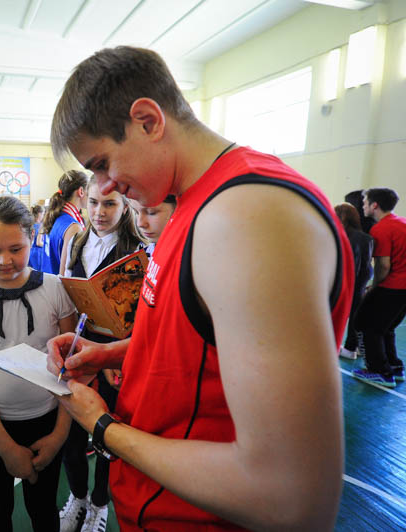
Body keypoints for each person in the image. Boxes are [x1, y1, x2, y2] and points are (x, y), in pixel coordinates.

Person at [45, 46, 354, 531]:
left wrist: (103, 426)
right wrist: (112, 353)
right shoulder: (195, 204)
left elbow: (290, 496)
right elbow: (203, 341)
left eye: (103, 164)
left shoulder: (246, 217)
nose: (102, 187)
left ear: (148, 121)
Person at [0, 196, 77, 531]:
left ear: (32, 237)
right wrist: (6, 448)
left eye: (16, 249)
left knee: (44, 511)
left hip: (47, 422)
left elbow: (71, 371)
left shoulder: (55, 289)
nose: (4, 260)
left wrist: (58, 436)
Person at [58, 176, 143, 532]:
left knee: (107, 434)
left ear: (124, 206)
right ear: (84, 201)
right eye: (93, 203)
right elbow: (64, 295)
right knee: (72, 438)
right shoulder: (75, 241)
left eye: (109, 204)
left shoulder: (137, 249)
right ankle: (78, 497)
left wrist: (113, 357)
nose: (99, 212)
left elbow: (141, 317)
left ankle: (99, 504)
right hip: (79, 353)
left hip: (117, 360)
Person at [352, 188, 406, 387]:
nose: (363, 206)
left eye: (365, 202)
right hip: (403, 288)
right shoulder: (402, 222)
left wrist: (374, 287)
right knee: (387, 327)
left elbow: (383, 265)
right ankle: (394, 366)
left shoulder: (381, 229)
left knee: (367, 324)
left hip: (392, 286)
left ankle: (379, 371)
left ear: (374, 205)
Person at [334, 203, 374, 360]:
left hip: (346, 282)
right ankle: (352, 348)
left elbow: (346, 263)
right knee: (355, 316)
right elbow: (366, 265)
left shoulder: (342, 236)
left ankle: (338, 346)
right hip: (360, 282)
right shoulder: (366, 238)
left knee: (339, 314)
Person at [40, 171, 88, 275]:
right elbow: (65, 274)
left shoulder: (55, 217)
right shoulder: (73, 227)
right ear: (81, 191)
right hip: (58, 284)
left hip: (47, 280)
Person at [28, 204, 46, 271]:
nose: (43, 216)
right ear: (39, 214)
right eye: (43, 214)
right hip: (37, 253)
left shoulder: (30, 225)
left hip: (30, 252)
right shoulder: (40, 226)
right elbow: (39, 243)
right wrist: (47, 245)